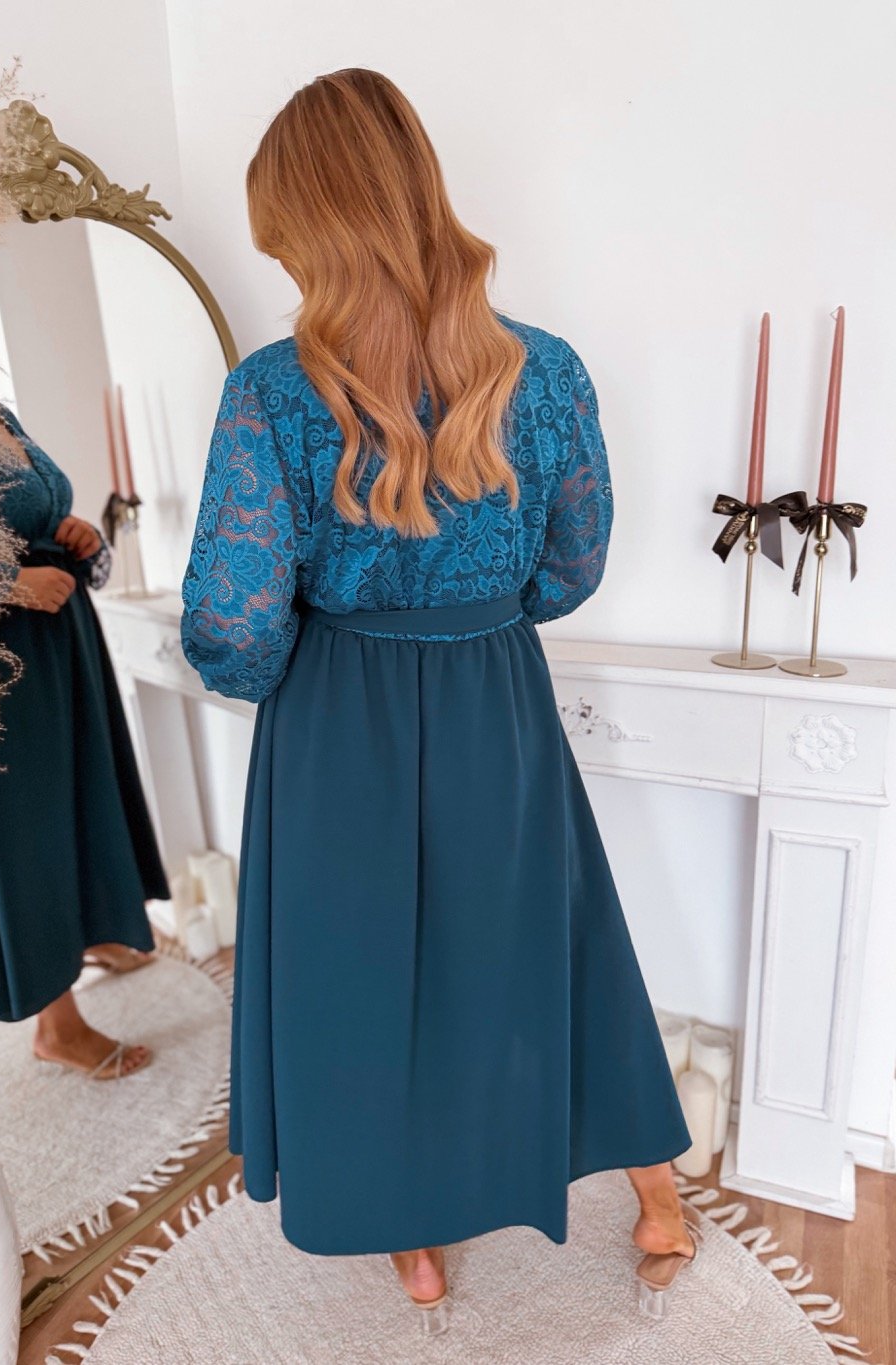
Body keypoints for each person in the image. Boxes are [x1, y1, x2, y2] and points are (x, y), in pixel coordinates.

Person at [181, 68, 697, 1329]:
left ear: (307, 225)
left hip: (338, 719)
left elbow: (233, 625)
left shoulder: (272, 393)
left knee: (362, 973)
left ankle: (409, 1232)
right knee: (553, 941)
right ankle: (655, 1194)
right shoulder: (544, 371)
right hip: (492, 698)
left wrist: (287, 673)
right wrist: (475, 626)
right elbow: (572, 565)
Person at [0, 273, 169, 1080]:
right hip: (2, 655)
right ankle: (57, 1022)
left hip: (63, 638)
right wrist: (6, 585)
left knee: (82, 795)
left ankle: (99, 927)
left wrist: (74, 533)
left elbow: (31, 513)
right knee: (31, 826)